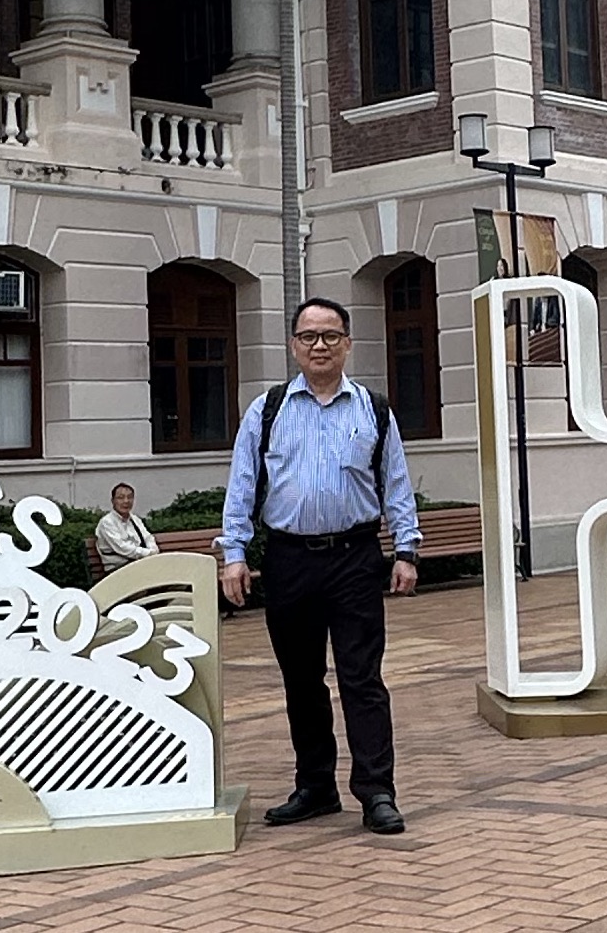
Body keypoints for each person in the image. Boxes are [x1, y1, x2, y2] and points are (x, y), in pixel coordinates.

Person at [220, 297, 421, 836]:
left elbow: (396, 484)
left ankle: (377, 791)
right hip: (288, 560)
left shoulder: (373, 410)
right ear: (294, 346)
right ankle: (315, 787)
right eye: (308, 336)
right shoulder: (267, 411)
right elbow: (242, 487)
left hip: (355, 558)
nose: (320, 346)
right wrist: (234, 554)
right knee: (301, 680)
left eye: (330, 335)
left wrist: (406, 550)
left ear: (347, 344)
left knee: (362, 678)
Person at [93, 482, 159, 574]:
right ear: (113, 501)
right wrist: (149, 554)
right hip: (117, 570)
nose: (126, 501)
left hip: (139, 565)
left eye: (130, 497)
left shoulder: (135, 519)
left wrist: (153, 550)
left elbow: (148, 538)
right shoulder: (107, 523)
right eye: (121, 498)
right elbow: (123, 548)